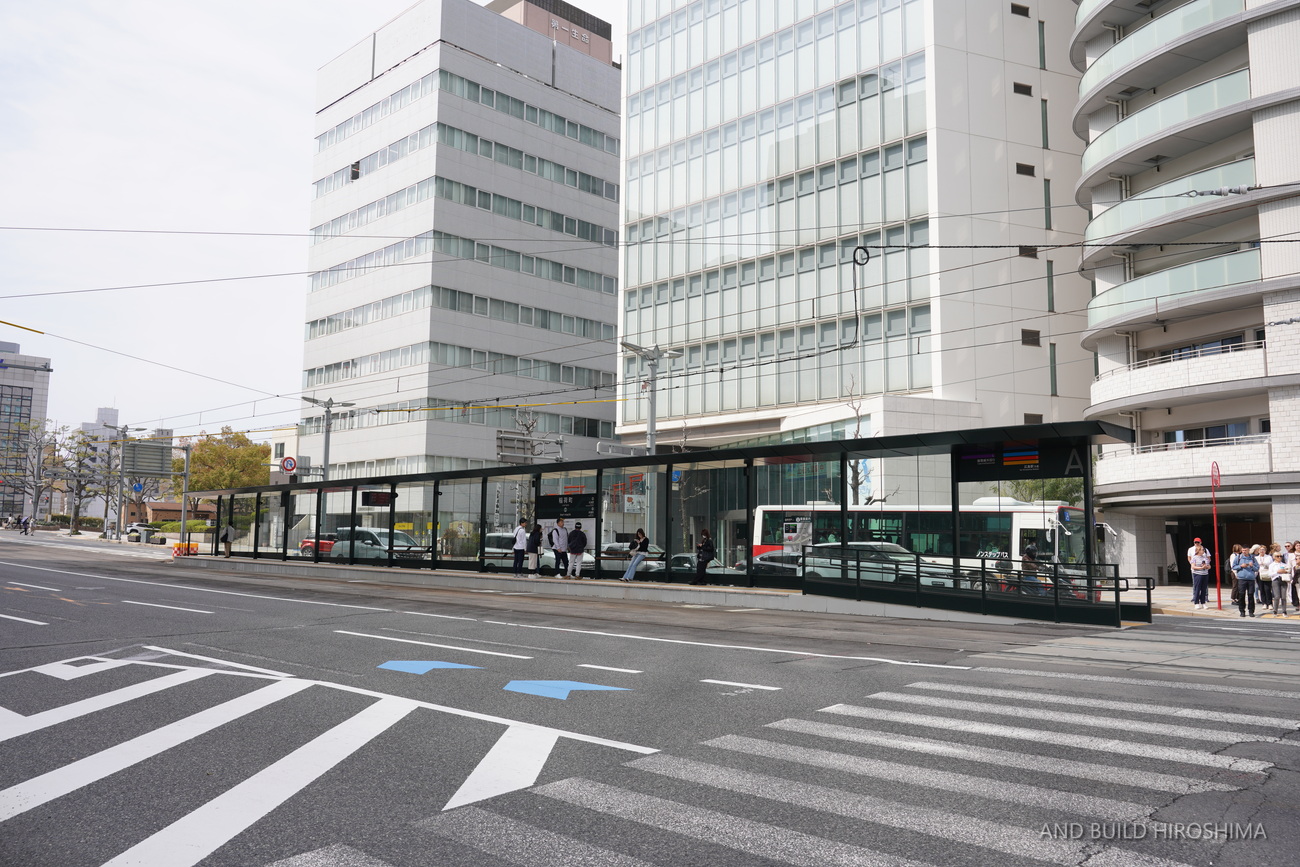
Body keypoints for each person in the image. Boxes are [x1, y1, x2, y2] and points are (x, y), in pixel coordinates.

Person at [1233, 547, 1258, 617]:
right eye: (1243, 550)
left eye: (1245, 550)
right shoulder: (1238, 557)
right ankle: (1242, 611)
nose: (1244, 552)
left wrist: (1252, 566)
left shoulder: (1252, 558)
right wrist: (1241, 566)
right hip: (1241, 579)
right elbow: (1233, 567)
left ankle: (1251, 611)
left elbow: (1257, 568)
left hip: (1251, 579)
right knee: (1241, 595)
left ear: (1248, 550)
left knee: (1250, 595)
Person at [1187, 538, 1211, 610]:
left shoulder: (1205, 558)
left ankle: (1203, 602)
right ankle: (1196, 602)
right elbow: (1193, 566)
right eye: (1202, 550)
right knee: (1197, 588)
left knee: (1204, 588)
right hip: (1197, 574)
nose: (1203, 551)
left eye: (1203, 550)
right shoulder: (1194, 558)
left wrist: (1206, 567)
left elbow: (1209, 565)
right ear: (1198, 551)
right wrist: (1201, 568)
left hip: (1205, 574)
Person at [1269, 551, 1292, 617]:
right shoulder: (1272, 565)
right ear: (1274, 557)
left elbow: (1288, 570)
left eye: (1280, 556)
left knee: (1283, 597)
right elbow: (1270, 574)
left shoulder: (1284, 564)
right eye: (1277, 556)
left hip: (1283, 580)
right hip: (1275, 580)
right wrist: (1277, 572)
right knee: (1277, 596)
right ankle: (1275, 611)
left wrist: (1285, 571)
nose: (1279, 557)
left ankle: (1284, 611)